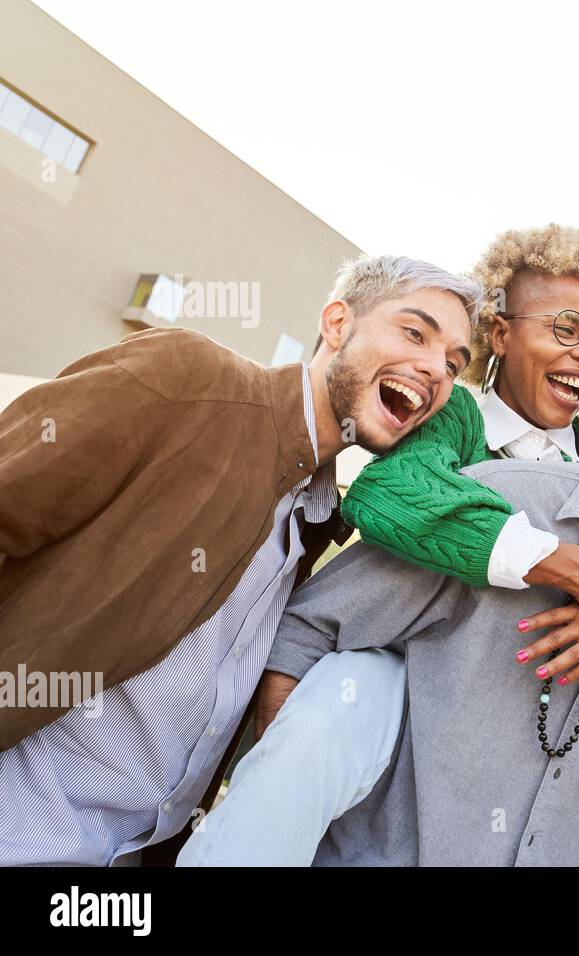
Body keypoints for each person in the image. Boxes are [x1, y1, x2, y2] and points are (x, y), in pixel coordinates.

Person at [179, 227, 579, 865]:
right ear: (499, 335)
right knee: (330, 717)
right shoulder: (454, 417)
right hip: (402, 677)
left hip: (513, 729)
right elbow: (389, 493)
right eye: (567, 328)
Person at [0, 254, 480, 865]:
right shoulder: (185, 379)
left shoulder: (318, 522)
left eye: (454, 364)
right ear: (337, 323)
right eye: (415, 333)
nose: (436, 368)